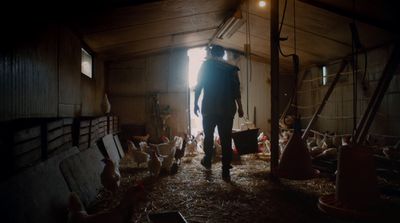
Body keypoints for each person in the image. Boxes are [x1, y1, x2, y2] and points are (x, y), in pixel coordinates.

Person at [194, 45, 244, 181]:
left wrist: (195, 103)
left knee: (209, 136)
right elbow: (236, 90)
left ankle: (208, 162)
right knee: (226, 139)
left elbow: (199, 86)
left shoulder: (206, 66)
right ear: (222, 55)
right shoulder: (231, 69)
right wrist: (240, 107)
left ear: (211, 53)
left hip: (209, 108)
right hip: (226, 109)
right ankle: (225, 170)